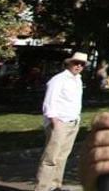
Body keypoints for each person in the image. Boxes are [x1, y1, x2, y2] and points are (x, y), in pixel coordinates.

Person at [36, 51, 88, 191]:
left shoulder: (78, 79)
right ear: (69, 63)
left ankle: (55, 185)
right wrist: (53, 119)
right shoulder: (58, 79)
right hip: (59, 122)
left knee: (62, 156)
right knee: (50, 157)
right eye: (76, 63)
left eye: (81, 64)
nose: (78, 66)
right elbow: (49, 100)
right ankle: (42, 187)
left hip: (72, 121)